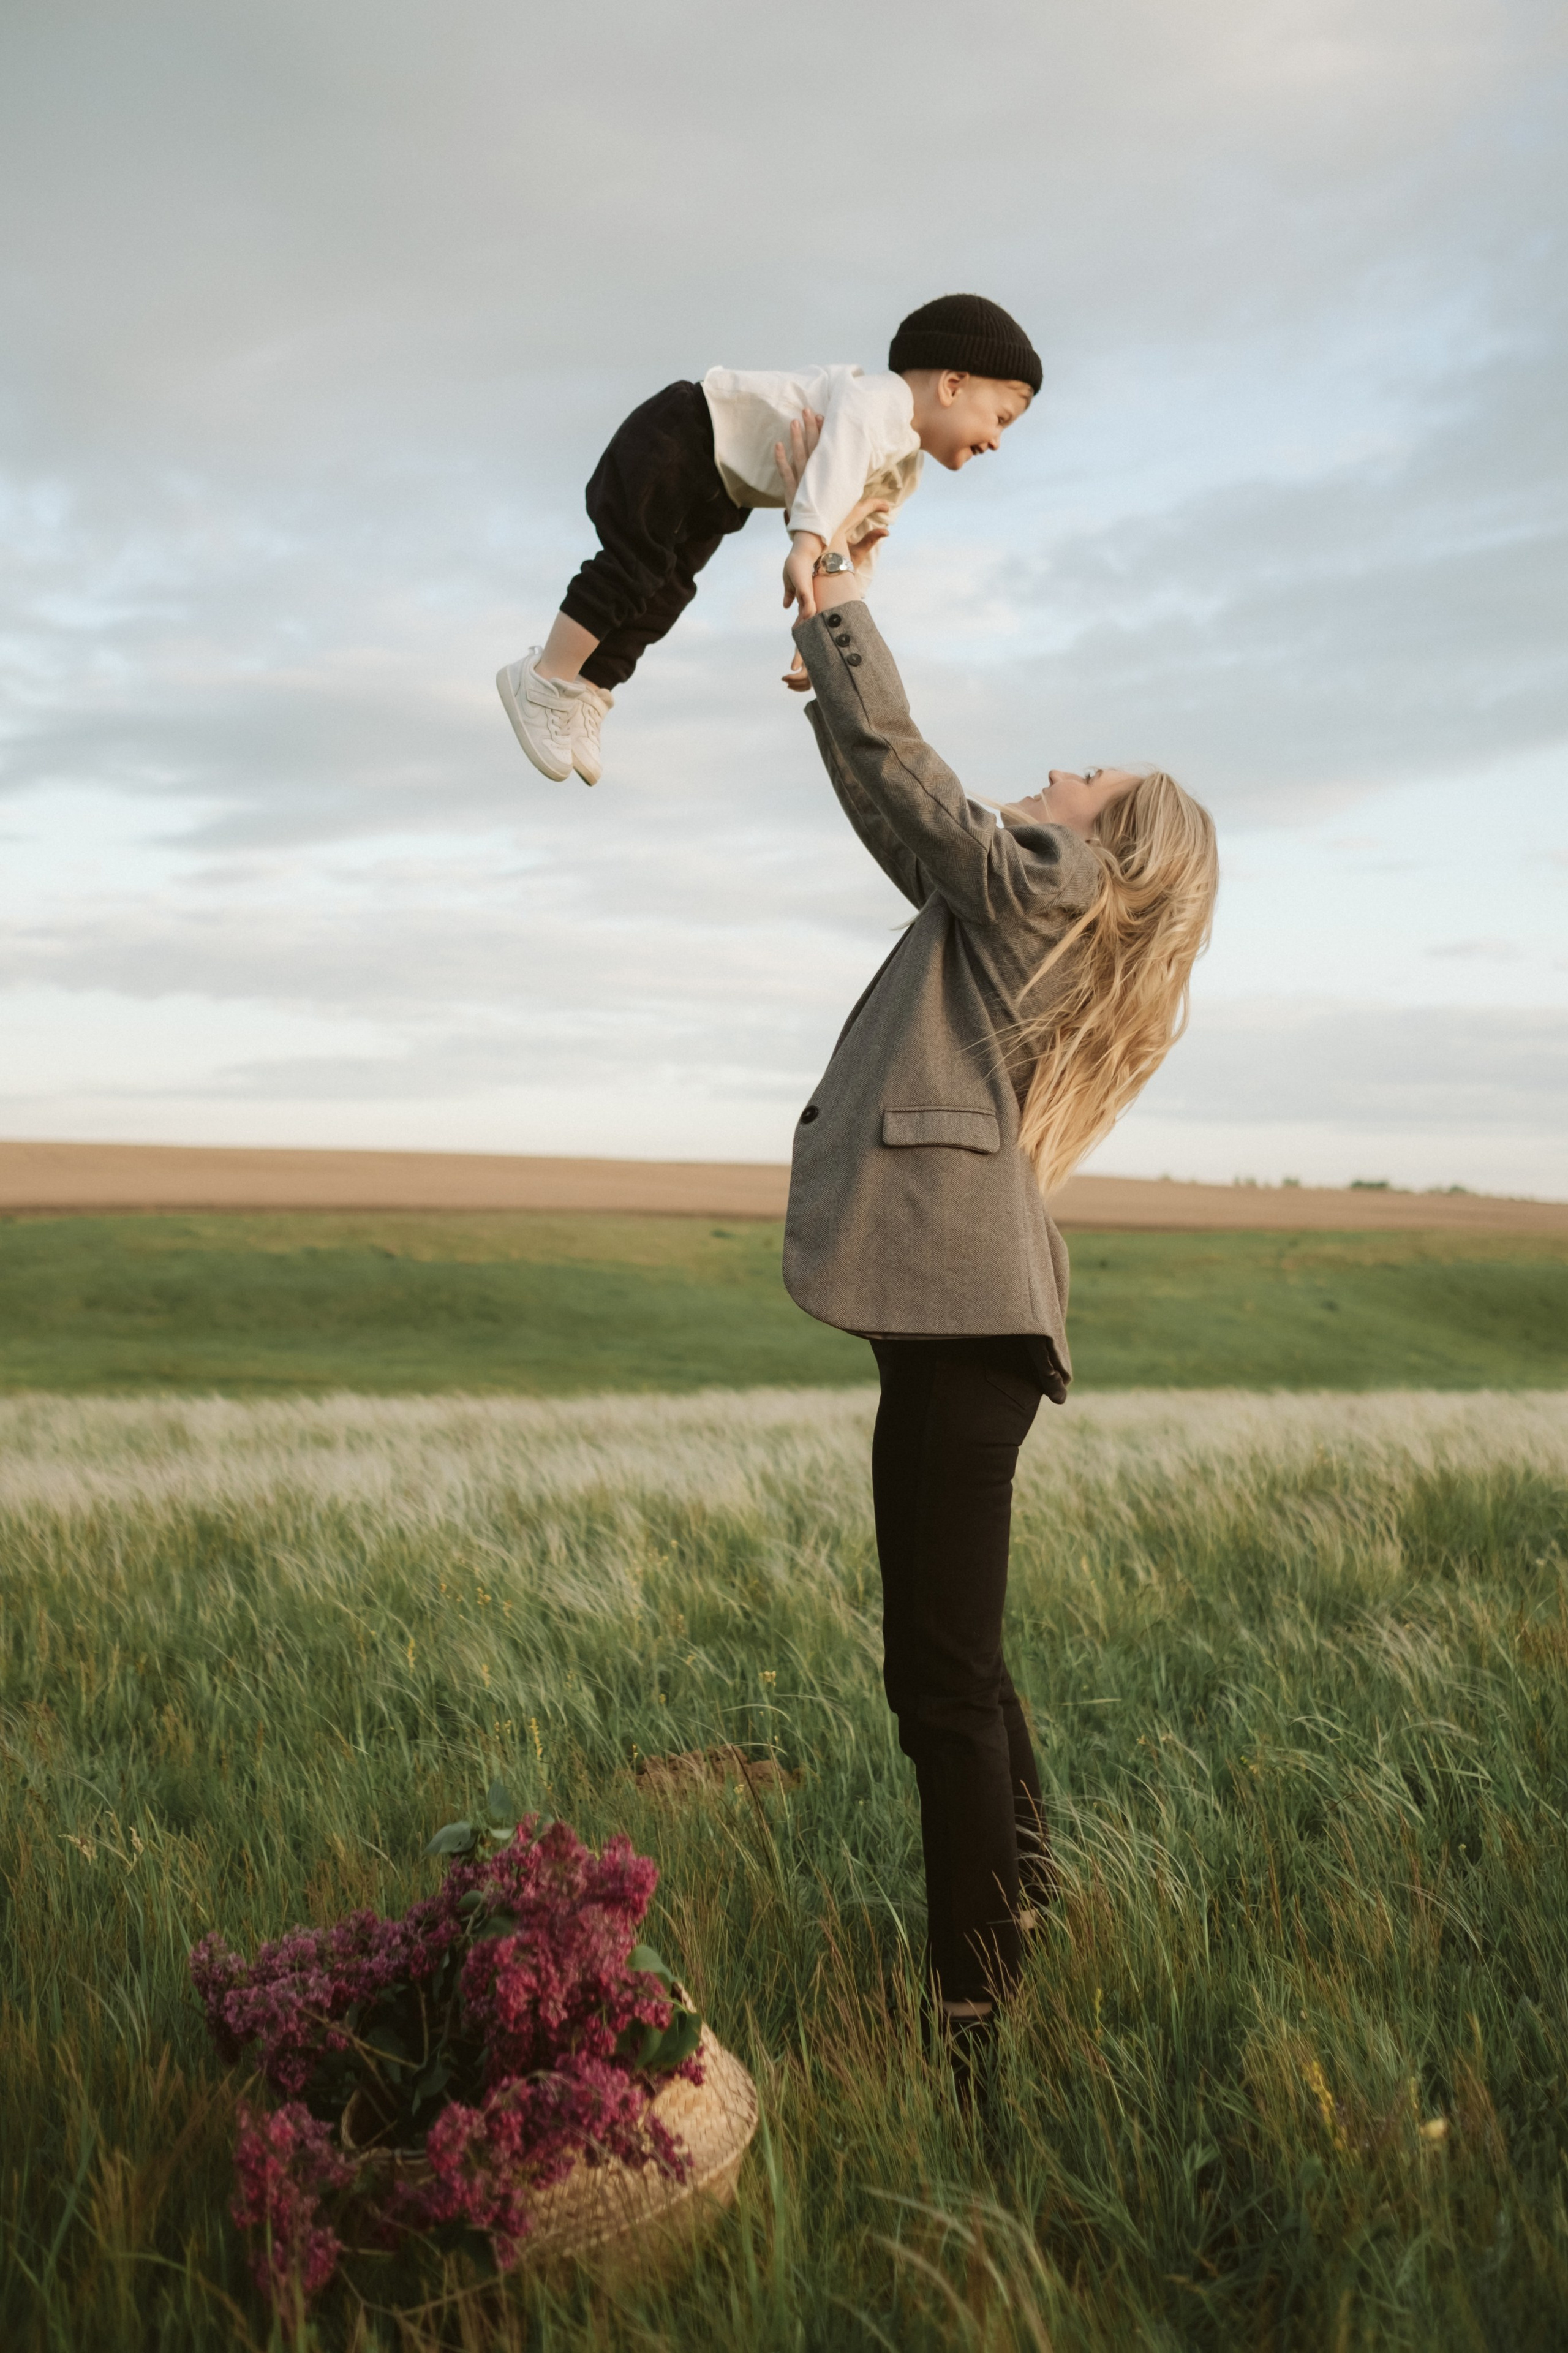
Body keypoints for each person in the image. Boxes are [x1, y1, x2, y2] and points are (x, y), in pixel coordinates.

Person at [777, 487, 1219, 2095]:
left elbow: (920, 784)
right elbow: (902, 813)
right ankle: (1024, 1904)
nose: (1060, 768)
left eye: (1089, 774)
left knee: (939, 1684)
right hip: (968, 1330)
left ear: (1110, 840)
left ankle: (973, 2019)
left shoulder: (1051, 884)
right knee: (958, 1665)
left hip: (967, 1335)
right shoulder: (1034, 902)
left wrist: (837, 603)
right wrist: (825, 661)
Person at [496, 294, 1041, 787]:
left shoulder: (903, 469)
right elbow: (837, 461)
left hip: (721, 490)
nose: (998, 440)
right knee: (633, 568)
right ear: (952, 384)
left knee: (664, 595)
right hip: (686, 434)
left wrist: (828, 626)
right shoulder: (881, 401)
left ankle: (588, 688)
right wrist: (806, 541)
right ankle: (545, 677)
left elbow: (855, 550)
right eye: (1001, 418)